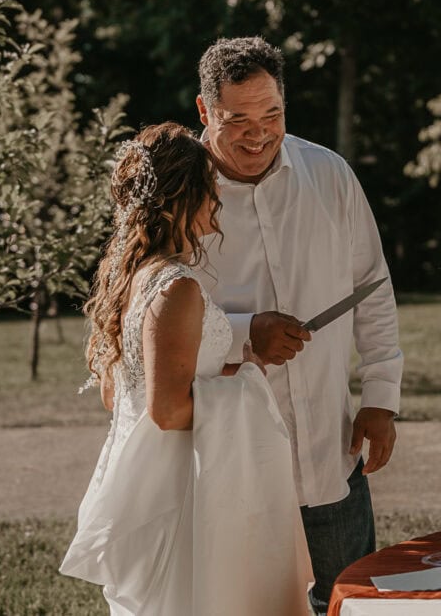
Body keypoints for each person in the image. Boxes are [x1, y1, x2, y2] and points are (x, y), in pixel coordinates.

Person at [60, 122, 313, 615]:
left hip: (147, 477)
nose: (216, 205)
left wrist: (216, 373)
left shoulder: (132, 277)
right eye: (210, 191)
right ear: (185, 195)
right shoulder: (175, 288)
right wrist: (246, 383)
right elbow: (168, 411)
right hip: (182, 491)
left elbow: (119, 395)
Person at [193, 36, 403, 614]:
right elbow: (145, 316)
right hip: (229, 465)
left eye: (273, 114)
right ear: (204, 111)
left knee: (351, 601)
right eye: (238, 120)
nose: (259, 133)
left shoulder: (329, 174)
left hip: (329, 454)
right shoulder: (176, 196)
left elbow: (373, 289)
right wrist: (244, 333)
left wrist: (381, 397)